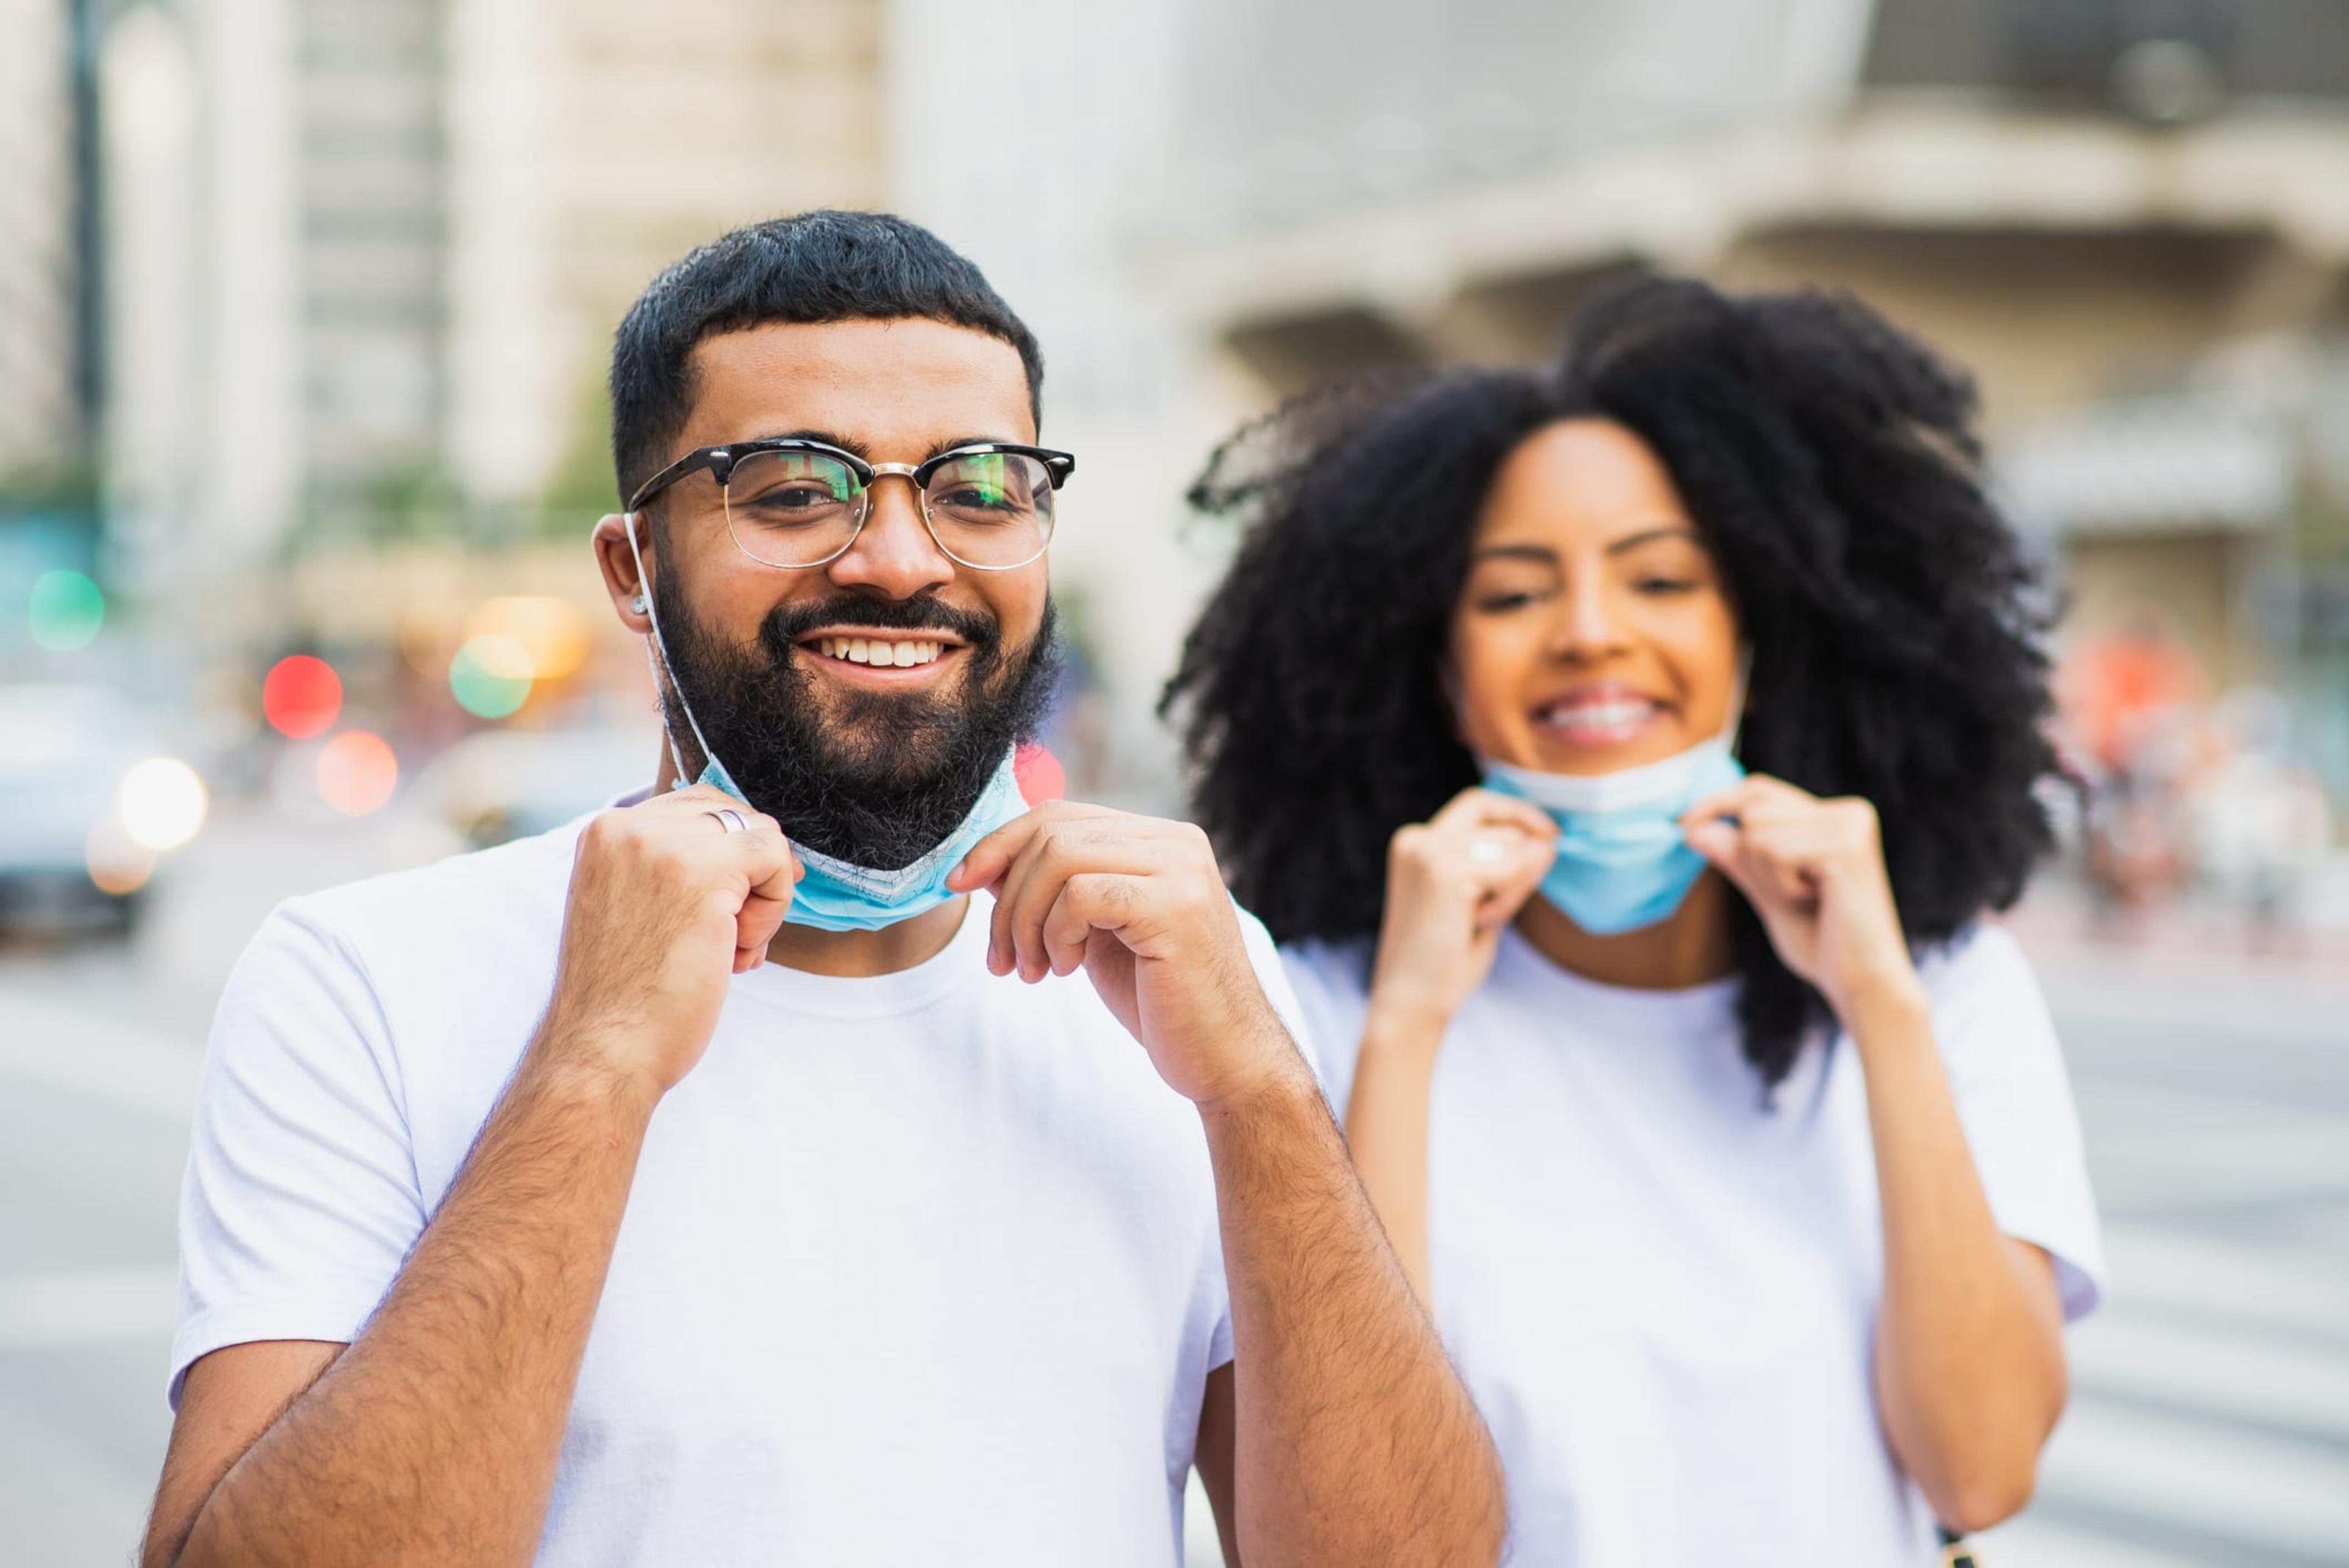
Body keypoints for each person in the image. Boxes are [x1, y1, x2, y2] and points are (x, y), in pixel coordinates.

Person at [146, 212, 1504, 1568]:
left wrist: (1260, 1092)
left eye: (980, 488)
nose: (902, 561)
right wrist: (594, 1061)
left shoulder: (1191, 984)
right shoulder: (366, 978)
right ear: (634, 567)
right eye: (796, 488)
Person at [1167, 276, 2106, 1565]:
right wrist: (1408, 1021)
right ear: (1437, 672)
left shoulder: (1943, 982)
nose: (1593, 634)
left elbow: (1983, 1464)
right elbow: (1357, 1527)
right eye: (1512, 597)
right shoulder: (1315, 1006)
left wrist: (1881, 1007)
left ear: (1754, 642)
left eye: (1662, 580)